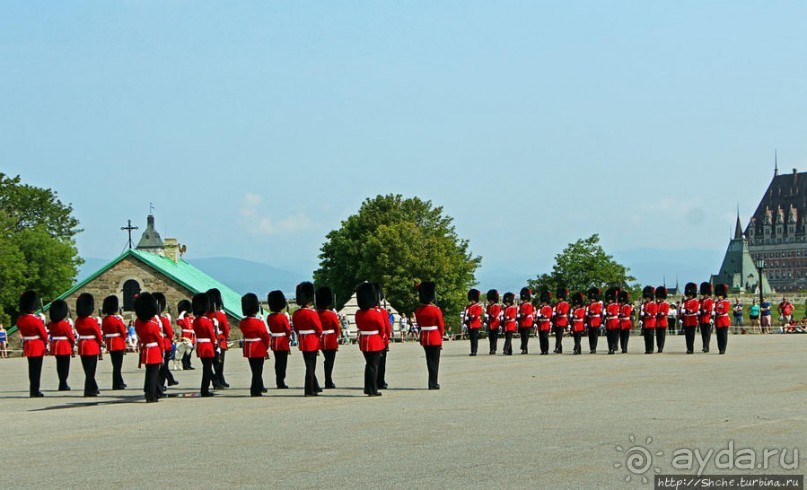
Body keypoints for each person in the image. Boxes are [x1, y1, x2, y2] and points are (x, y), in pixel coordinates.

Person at [292, 281, 323, 397]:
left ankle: (315, 386)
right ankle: (309, 390)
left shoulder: (296, 313)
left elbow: (295, 328)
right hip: (312, 340)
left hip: (303, 340)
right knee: (311, 366)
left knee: (308, 365)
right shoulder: (312, 313)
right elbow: (319, 328)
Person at [354, 282, 385, 396]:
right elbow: (382, 328)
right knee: (373, 366)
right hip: (374, 340)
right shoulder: (375, 313)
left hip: (364, 340)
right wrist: (381, 338)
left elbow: (358, 325)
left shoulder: (358, 313)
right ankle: (372, 389)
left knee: (369, 365)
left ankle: (368, 387)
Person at [133, 292, 164, 403]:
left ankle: (148, 393)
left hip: (145, 349)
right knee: (154, 375)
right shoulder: (153, 325)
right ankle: (152, 396)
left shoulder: (137, 323)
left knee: (149, 373)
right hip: (154, 350)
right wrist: (162, 351)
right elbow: (160, 340)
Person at [16, 291, 48, 397]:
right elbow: (44, 334)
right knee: (36, 370)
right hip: (37, 345)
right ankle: (35, 390)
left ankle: (32, 389)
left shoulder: (20, 320)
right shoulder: (35, 320)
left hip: (28, 345)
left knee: (31, 369)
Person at [239, 293, 271, 396]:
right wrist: (266, 347)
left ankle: (259, 387)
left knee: (254, 370)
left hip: (248, 347)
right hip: (258, 348)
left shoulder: (242, 322)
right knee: (258, 371)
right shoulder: (258, 322)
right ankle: (255, 390)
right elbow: (265, 336)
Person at [414, 281, 444, 390]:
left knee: (429, 360)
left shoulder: (418, 310)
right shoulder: (435, 310)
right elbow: (440, 325)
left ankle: (431, 382)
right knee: (435, 361)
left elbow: (419, 324)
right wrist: (441, 337)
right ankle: (433, 383)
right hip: (435, 336)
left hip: (424, 337)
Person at [74, 293, 102, 397]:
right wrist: (100, 343)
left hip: (82, 345)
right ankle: (88, 390)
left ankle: (94, 387)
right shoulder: (91, 321)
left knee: (87, 369)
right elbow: (97, 333)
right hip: (91, 345)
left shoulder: (78, 321)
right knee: (91, 370)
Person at [192, 293, 216, 397]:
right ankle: (205, 389)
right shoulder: (206, 321)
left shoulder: (195, 321)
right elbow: (211, 334)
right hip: (207, 346)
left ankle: (206, 387)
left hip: (200, 345)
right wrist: (215, 343)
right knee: (207, 369)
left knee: (206, 368)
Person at [47, 299, 74, 391]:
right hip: (64, 345)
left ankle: (61, 382)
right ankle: (63, 383)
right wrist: (72, 344)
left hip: (55, 345)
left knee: (59, 365)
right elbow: (70, 336)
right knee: (65, 365)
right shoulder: (64, 324)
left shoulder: (51, 324)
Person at [316, 286, 340, 389]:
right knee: (330, 361)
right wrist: (336, 337)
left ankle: (328, 380)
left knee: (328, 360)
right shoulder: (331, 314)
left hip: (320, 339)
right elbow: (337, 328)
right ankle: (328, 381)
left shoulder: (316, 314)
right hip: (330, 339)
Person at [101, 295, 127, 390]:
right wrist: (124, 340)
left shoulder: (105, 320)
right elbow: (123, 331)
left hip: (110, 343)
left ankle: (119, 382)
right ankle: (117, 384)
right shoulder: (116, 319)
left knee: (115, 365)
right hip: (118, 342)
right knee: (117, 366)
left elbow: (104, 330)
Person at [266, 290, 291, 389]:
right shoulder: (282, 317)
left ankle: (278, 379)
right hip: (282, 341)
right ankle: (281, 381)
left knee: (277, 362)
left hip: (274, 340)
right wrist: (288, 338)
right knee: (282, 362)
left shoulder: (269, 317)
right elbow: (288, 329)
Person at [153, 293, 178, 390]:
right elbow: (170, 333)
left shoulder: (153, 319)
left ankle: (162, 383)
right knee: (164, 366)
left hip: (157, 345)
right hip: (164, 344)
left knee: (159, 367)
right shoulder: (163, 319)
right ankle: (161, 384)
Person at [206, 288, 230, 389]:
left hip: (210, 340)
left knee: (215, 362)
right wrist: (225, 336)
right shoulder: (220, 315)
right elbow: (226, 329)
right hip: (219, 339)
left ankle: (220, 379)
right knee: (219, 362)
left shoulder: (206, 315)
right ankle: (218, 380)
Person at [374, 284, 392, 390]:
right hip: (381, 340)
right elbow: (386, 328)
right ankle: (380, 381)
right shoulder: (382, 312)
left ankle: (373, 381)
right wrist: (387, 339)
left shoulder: (362, 312)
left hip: (367, 340)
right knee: (381, 362)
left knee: (371, 363)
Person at [176, 299, 195, 370]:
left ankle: (189, 364)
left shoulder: (191, 318)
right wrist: (181, 314)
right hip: (186, 336)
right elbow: (179, 323)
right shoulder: (182, 318)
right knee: (185, 351)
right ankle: (185, 365)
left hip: (192, 336)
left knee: (190, 351)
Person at [682, 282, 700, 354]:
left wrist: (691, 310)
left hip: (692, 319)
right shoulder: (685, 302)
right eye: (688, 295)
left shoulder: (696, 301)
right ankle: (688, 348)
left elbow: (696, 309)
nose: (689, 296)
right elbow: (682, 309)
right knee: (687, 336)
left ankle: (691, 348)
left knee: (691, 335)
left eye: (691, 295)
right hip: (686, 320)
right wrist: (685, 310)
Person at [464, 289, 483, 356]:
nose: (472, 301)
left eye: (473, 299)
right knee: (471, 338)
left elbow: (477, 314)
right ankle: (472, 350)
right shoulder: (468, 306)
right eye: (471, 299)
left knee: (474, 338)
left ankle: (474, 351)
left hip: (475, 324)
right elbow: (466, 314)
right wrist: (465, 320)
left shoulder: (478, 306)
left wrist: (471, 316)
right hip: (470, 324)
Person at [714, 284, 731, 355]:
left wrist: (718, 312)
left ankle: (723, 349)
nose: (719, 297)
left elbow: (725, 310)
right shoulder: (716, 302)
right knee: (719, 336)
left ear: (723, 295)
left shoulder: (726, 302)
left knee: (724, 336)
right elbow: (714, 309)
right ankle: (720, 348)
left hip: (724, 321)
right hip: (718, 321)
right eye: (718, 296)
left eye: (720, 295)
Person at [640, 286, 657, 354]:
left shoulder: (653, 304)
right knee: (646, 337)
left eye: (648, 297)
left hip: (651, 322)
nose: (647, 299)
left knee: (650, 336)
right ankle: (647, 349)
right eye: (646, 297)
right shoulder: (644, 304)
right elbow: (643, 312)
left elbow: (654, 312)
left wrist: (648, 314)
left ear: (650, 297)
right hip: (646, 322)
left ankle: (651, 349)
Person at [517, 287, 534, 355]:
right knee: (522, 336)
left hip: (527, 322)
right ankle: (524, 349)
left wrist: (523, 314)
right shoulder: (521, 305)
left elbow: (528, 312)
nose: (524, 300)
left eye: (525, 299)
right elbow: (520, 312)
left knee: (526, 336)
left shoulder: (529, 305)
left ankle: (524, 348)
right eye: (523, 299)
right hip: (522, 322)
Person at [585, 287, 603, 354]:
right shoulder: (588, 305)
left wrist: (590, 312)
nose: (591, 299)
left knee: (595, 335)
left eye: (593, 298)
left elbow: (597, 311)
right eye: (591, 298)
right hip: (590, 321)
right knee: (590, 335)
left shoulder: (598, 304)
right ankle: (591, 347)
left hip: (595, 321)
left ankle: (594, 348)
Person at [552, 288, 570, 354]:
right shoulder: (557, 304)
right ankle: (560, 349)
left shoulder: (565, 304)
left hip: (562, 321)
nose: (559, 299)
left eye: (561, 297)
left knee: (559, 336)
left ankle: (557, 347)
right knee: (557, 336)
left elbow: (564, 311)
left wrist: (558, 312)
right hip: (557, 321)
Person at [603, 288, 620, 355]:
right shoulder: (607, 306)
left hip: (614, 322)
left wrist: (609, 313)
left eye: (610, 299)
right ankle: (610, 348)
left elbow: (614, 313)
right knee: (609, 337)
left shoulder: (615, 305)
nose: (609, 300)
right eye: (609, 299)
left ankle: (613, 348)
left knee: (613, 336)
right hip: (608, 322)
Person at [536, 290, 553, 355]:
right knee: (541, 338)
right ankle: (542, 350)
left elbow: (548, 315)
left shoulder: (549, 308)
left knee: (545, 338)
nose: (543, 303)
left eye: (544, 302)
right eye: (543, 302)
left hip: (545, 325)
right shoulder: (540, 308)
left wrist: (542, 315)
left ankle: (546, 350)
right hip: (540, 325)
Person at [698, 282, 714, 353]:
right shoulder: (700, 301)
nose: (705, 295)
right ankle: (704, 346)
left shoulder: (710, 300)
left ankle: (707, 347)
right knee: (703, 334)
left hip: (707, 319)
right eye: (704, 294)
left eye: (706, 294)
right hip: (702, 319)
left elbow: (709, 309)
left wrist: (704, 310)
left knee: (707, 334)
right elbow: (699, 308)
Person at [485, 290, 501, 355]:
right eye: (490, 300)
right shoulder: (488, 306)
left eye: (491, 300)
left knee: (494, 338)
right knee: (490, 338)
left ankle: (494, 349)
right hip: (490, 324)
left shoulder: (497, 306)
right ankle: (491, 349)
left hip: (495, 324)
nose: (490, 301)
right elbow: (487, 313)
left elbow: (495, 315)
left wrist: (489, 315)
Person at [654, 286, 669, 353]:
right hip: (657, 322)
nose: (660, 299)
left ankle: (661, 347)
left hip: (662, 321)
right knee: (658, 336)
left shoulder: (666, 304)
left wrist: (661, 314)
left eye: (661, 297)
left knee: (662, 336)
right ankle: (658, 346)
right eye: (659, 297)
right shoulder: (656, 304)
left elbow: (666, 312)